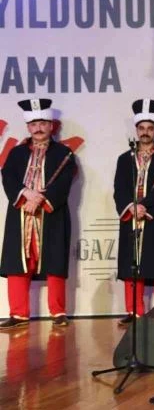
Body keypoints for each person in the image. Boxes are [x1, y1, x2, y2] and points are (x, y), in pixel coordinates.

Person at [0, 99, 76, 329]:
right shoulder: (16, 153)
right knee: (18, 262)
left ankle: (58, 311)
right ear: (28, 127)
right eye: (34, 124)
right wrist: (26, 194)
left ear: (51, 126)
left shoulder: (64, 153)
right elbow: (8, 177)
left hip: (51, 214)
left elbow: (64, 182)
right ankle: (18, 313)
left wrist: (40, 199)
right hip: (21, 213)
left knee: (54, 261)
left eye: (43, 123)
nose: (38, 128)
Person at [114, 99, 154, 324]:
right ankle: (134, 311)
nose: (145, 132)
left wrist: (144, 206)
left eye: (150, 128)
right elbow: (120, 188)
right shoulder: (125, 159)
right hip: (131, 216)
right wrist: (132, 207)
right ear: (136, 130)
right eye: (141, 128)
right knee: (132, 265)